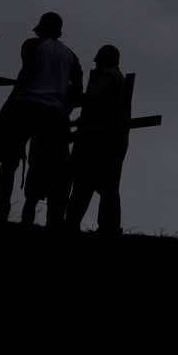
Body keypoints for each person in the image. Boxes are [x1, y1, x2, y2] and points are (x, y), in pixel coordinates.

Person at [0, 12, 83, 225]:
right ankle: (50, 217)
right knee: (50, 164)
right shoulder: (71, 56)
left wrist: (5, 111)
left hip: (25, 106)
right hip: (53, 114)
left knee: (9, 161)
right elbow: (78, 90)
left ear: (41, 29)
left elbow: (24, 78)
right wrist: (64, 109)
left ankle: (2, 209)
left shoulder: (31, 45)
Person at [65, 45, 129, 234]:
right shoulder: (118, 78)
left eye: (99, 58)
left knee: (84, 184)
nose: (96, 62)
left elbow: (91, 99)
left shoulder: (107, 76)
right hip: (109, 141)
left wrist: (71, 97)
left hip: (96, 141)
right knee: (107, 187)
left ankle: (72, 223)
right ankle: (108, 228)